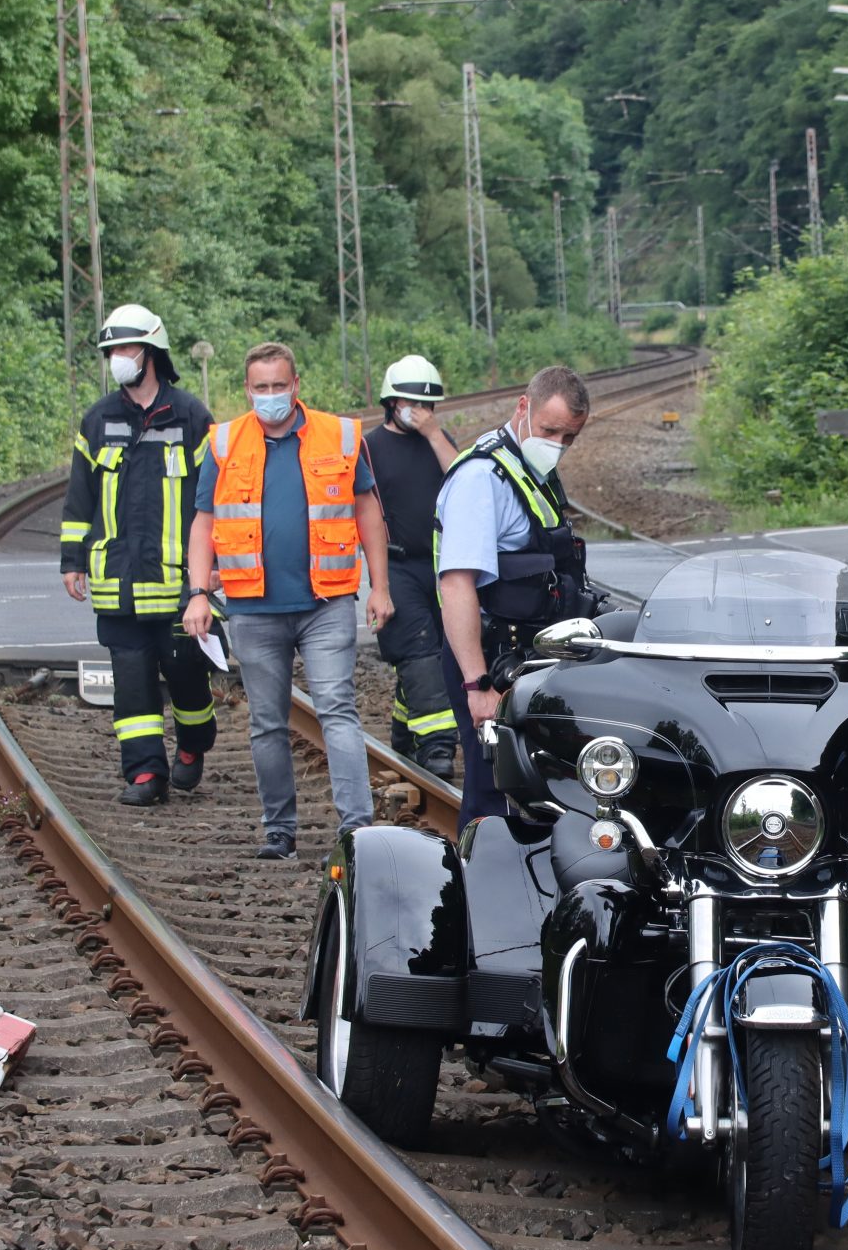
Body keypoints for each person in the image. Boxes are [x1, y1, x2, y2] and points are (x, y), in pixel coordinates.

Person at [183, 342, 392, 861]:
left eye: (280, 385)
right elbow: (204, 522)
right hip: (252, 608)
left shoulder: (338, 435)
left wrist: (381, 586)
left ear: (296, 385)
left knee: (337, 711)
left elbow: (368, 511)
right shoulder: (223, 443)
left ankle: (356, 831)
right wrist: (198, 593)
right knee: (267, 723)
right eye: (262, 387)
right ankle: (279, 832)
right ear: (247, 390)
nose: (271, 395)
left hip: (327, 603)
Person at [59, 303, 217, 807]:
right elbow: (79, 496)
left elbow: (212, 500)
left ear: (150, 353)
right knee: (131, 684)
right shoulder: (97, 420)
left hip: (178, 585)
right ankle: (146, 772)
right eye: (111, 351)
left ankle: (193, 743)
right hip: (118, 583)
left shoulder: (191, 417)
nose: (117, 359)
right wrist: (72, 560)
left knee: (187, 675)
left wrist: (209, 572)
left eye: (126, 349)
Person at [435, 365, 597, 827]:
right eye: (549, 431)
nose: (557, 445)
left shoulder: (530, 469)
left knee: (539, 786)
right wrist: (477, 685)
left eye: (569, 437)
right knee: (494, 792)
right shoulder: (481, 478)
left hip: (530, 654)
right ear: (522, 407)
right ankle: (483, 869)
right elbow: (456, 584)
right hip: (491, 656)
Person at [365, 354, 462, 778]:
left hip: (441, 565)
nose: (418, 411)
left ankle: (405, 730)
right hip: (395, 565)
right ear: (391, 403)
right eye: (409, 403)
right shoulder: (370, 448)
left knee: (441, 650)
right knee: (419, 653)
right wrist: (378, 586)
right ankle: (437, 746)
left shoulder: (439, 440)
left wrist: (434, 434)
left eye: (426, 404)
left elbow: (463, 482)